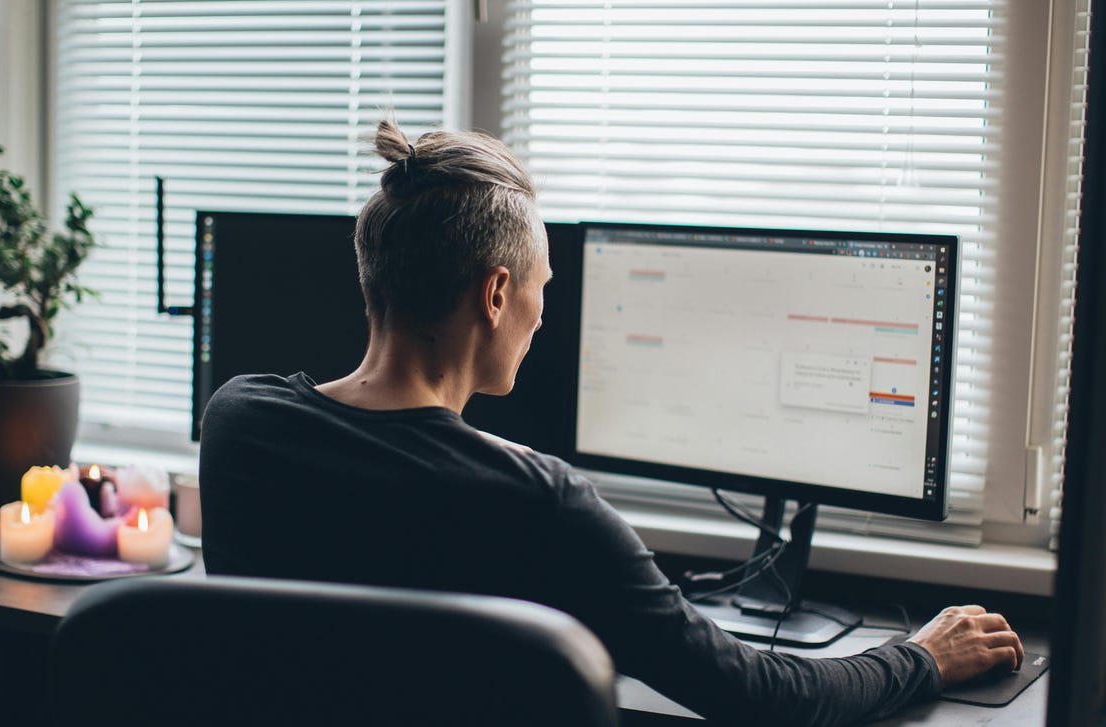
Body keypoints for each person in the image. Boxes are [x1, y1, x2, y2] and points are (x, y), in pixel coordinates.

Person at [198, 119, 1025, 726]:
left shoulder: (240, 425)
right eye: (540, 288)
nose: (541, 315)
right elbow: (762, 695)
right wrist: (919, 655)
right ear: (494, 295)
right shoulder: (537, 501)